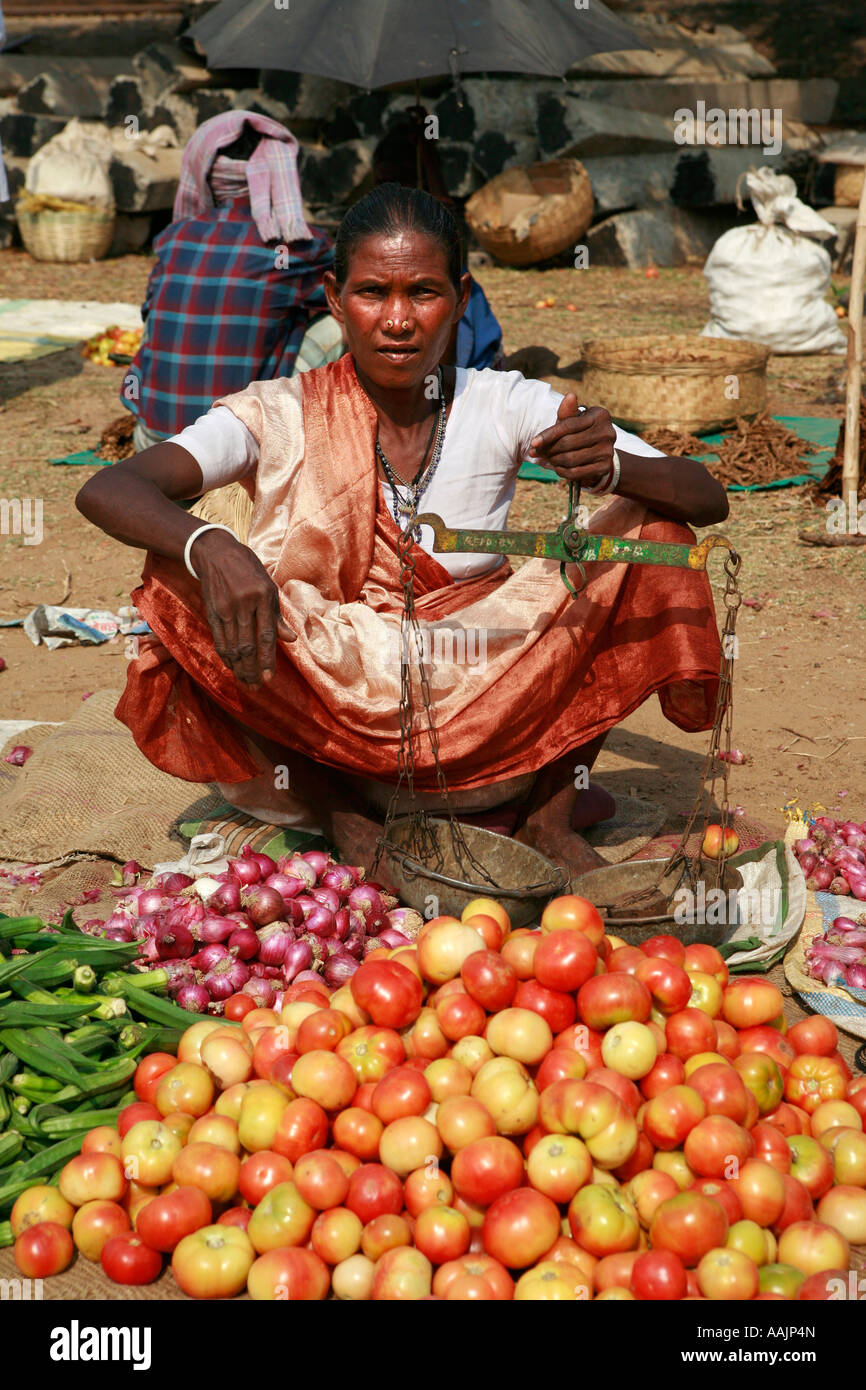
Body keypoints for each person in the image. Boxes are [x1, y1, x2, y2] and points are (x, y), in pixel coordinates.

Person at [78, 184, 728, 878]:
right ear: (333, 299)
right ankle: (343, 816)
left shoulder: (503, 401)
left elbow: (704, 497)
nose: (397, 320)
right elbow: (109, 488)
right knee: (172, 578)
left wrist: (610, 466)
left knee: (649, 531)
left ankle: (547, 816)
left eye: (423, 292)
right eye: (371, 293)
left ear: (461, 296)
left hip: (486, 681)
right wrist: (208, 545)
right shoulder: (277, 412)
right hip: (324, 703)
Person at [123, 110, 340, 454]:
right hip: (234, 458)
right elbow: (350, 297)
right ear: (279, 175)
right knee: (344, 319)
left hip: (155, 446)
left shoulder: (174, 238)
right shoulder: (298, 247)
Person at [372, 108, 505, 370]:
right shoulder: (371, 228)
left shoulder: (443, 240)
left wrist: (426, 149)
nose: (393, 192)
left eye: (402, 181)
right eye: (384, 182)